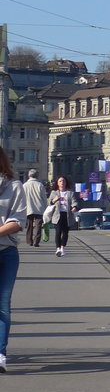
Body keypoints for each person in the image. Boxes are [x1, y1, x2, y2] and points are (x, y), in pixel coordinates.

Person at [0, 148, 31, 373]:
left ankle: (0, 354)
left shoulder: (13, 186)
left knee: (2, 306)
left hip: (5, 252)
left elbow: (18, 221)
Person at [47, 176, 77, 257]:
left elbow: (74, 202)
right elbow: (49, 203)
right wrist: (54, 200)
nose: (62, 182)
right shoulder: (54, 193)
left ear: (66, 182)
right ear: (57, 183)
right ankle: (58, 248)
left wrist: (74, 207)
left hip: (67, 215)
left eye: (63, 181)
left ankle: (63, 248)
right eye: (60, 181)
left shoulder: (70, 193)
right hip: (57, 215)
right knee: (58, 232)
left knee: (65, 232)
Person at [22, 169, 47, 248]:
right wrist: (46, 207)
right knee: (38, 226)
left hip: (28, 208)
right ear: (37, 176)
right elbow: (44, 198)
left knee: (29, 225)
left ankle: (29, 241)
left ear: (29, 176)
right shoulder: (40, 185)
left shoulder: (24, 185)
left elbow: (22, 198)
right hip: (39, 208)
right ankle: (36, 241)